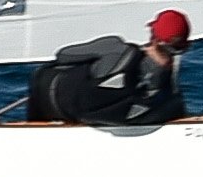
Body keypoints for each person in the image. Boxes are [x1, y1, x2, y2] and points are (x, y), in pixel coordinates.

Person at [26, 10, 191, 125]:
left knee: (47, 75)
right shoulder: (170, 93)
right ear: (185, 45)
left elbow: (63, 55)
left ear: (153, 36)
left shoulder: (116, 49)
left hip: (50, 99)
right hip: (101, 116)